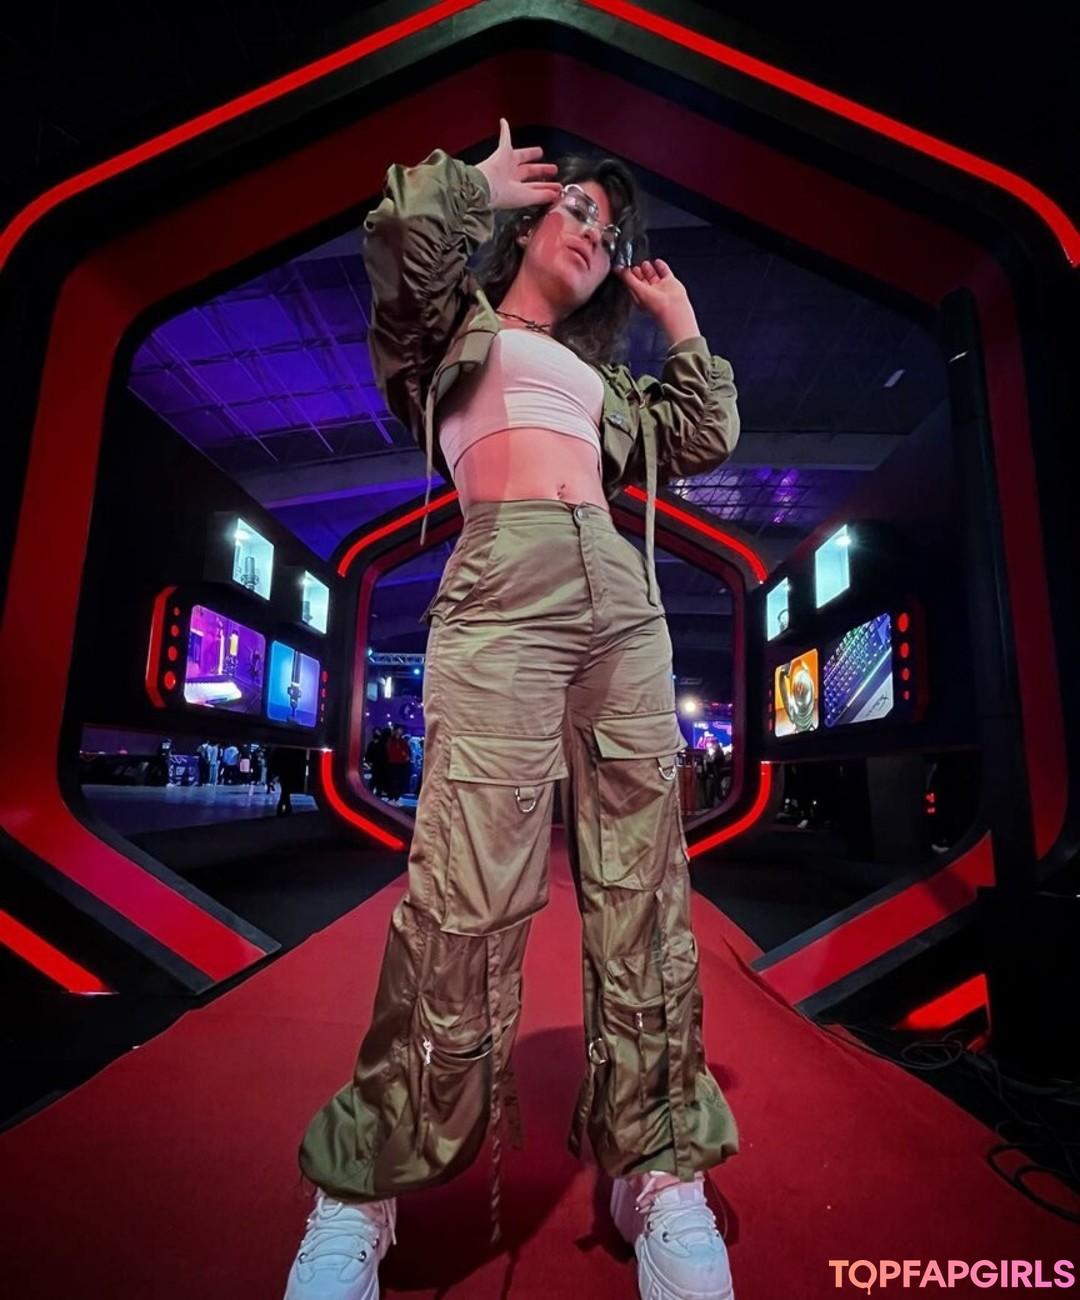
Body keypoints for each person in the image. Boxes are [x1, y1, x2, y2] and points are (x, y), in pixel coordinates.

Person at [285, 120, 740, 1300]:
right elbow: (400, 234)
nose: (594, 233)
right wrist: (473, 188)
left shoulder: (612, 385)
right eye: (577, 209)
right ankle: (362, 1186)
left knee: (645, 893)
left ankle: (658, 1163)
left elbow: (705, 434)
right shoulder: (449, 328)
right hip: (502, 587)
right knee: (463, 893)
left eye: (610, 229)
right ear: (529, 225)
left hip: (623, 601)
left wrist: (681, 325)